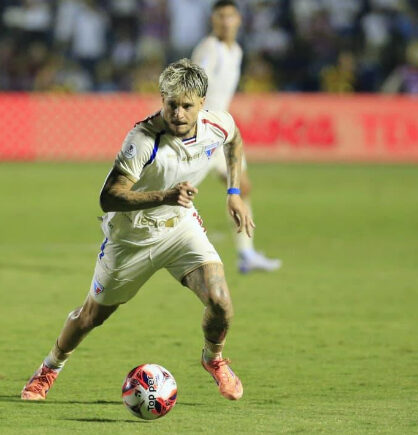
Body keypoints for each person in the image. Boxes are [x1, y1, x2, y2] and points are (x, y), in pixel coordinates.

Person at [21, 59, 251, 402]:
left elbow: (234, 140)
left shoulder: (217, 124)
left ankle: (213, 359)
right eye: (171, 104)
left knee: (221, 302)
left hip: (180, 227)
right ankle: (48, 370)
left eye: (187, 106)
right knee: (90, 317)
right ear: (162, 98)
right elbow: (108, 198)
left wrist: (233, 193)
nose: (178, 113)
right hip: (131, 238)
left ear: (202, 104)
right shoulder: (144, 139)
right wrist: (165, 195)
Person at [191, 0, 281, 273]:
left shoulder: (237, 51)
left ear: (239, 20)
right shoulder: (209, 49)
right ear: (213, 20)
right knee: (179, 193)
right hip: (202, 131)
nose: (226, 21)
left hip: (222, 131)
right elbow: (193, 85)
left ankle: (247, 254)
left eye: (230, 16)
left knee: (242, 185)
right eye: (220, 16)